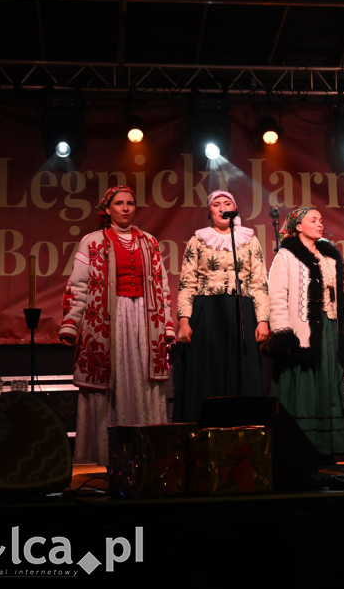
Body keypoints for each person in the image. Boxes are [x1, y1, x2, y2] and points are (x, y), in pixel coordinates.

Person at [60, 185, 174, 465]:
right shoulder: (92, 241)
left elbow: (161, 286)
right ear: (107, 209)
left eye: (130, 203)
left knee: (143, 382)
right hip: (108, 317)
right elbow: (78, 284)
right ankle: (104, 457)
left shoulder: (149, 242)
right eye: (119, 203)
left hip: (144, 320)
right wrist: (71, 323)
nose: (125, 208)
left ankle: (146, 459)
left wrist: (167, 324)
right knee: (109, 381)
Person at [174, 190, 270, 423]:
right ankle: (205, 428)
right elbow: (187, 283)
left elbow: (259, 283)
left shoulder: (249, 240)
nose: (222, 208)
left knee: (243, 370)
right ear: (209, 211)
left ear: (234, 209)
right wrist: (184, 320)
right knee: (207, 370)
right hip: (207, 310)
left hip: (241, 310)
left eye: (227, 203)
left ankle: (244, 428)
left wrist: (262, 319)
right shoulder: (198, 240)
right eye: (216, 204)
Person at [268, 207, 344, 455]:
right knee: (303, 383)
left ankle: (328, 445)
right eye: (313, 220)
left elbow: (339, 296)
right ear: (298, 226)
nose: (319, 223)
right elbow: (277, 296)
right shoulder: (286, 256)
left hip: (329, 327)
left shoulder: (329, 257)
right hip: (302, 329)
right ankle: (302, 447)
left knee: (328, 382)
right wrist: (283, 333)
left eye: (321, 220)